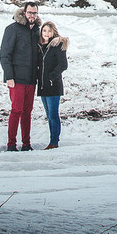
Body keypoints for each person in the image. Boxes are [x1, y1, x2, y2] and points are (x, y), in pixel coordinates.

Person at [0, 0, 42, 151]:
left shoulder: (37, 30)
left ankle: (26, 144)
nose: (32, 15)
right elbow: (4, 55)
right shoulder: (13, 29)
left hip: (31, 79)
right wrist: (9, 76)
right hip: (16, 79)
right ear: (24, 12)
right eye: (30, 12)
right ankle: (11, 144)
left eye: (35, 13)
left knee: (27, 112)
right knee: (16, 110)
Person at [37, 21, 69, 149]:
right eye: (44, 31)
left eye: (49, 31)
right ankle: (52, 140)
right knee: (48, 114)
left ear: (53, 32)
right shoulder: (40, 46)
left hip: (53, 85)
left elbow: (63, 64)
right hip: (43, 86)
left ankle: (54, 141)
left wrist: (52, 77)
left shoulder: (57, 45)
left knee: (53, 114)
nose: (46, 33)